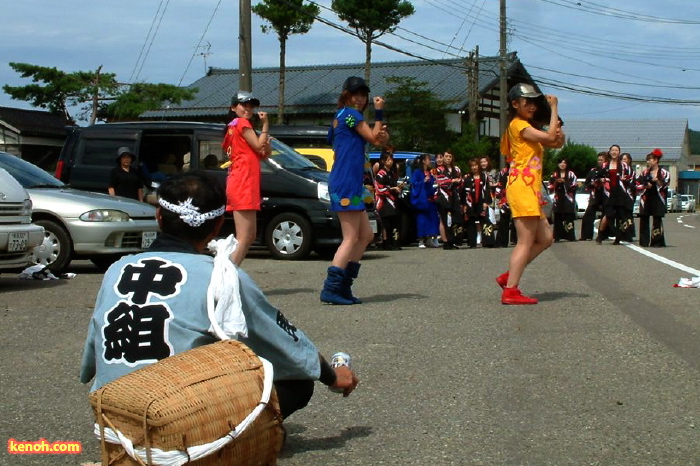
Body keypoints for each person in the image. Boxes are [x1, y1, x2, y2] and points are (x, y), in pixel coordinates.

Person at [80, 172, 359, 420]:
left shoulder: (118, 269)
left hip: (111, 413)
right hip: (177, 420)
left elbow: (96, 344)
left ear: (159, 217)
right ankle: (223, 442)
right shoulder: (220, 275)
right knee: (297, 380)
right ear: (217, 227)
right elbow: (279, 339)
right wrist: (332, 376)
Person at [321, 76, 387, 305]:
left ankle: (344, 287)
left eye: (363, 95)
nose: (360, 99)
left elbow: (374, 139)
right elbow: (374, 138)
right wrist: (379, 112)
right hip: (347, 182)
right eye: (355, 94)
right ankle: (331, 289)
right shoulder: (350, 114)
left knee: (366, 235)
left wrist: (380, 135)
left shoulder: (339, 118)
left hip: (348, 180)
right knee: (350, 237)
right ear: (346, 95)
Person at [497, 83, 563, 305]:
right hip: (522, 187)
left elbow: (555, 141)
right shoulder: (518, 125)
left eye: (535, 102)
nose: (533, 106)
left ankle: (510, 276)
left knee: (545, 238)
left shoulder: (527, 126)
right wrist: (553, 108)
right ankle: (510, 291)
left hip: (532, 189)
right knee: (525, 241)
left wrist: (557, 132)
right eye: (527, 102)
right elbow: (549, 136)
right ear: (515, 104)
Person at [222, 91, 271, 266]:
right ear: (234, 107)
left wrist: (265, 142)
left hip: (244, 181)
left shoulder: (232, 126)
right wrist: (265, 125)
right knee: (244, 237)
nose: (248, 109)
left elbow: (263, 153)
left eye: (251, 106)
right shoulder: (242, 123)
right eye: (244, 105)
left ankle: (230, 271)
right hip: (243, 181)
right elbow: (259, 146)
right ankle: (227, 273)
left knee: (249, 236)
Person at [596, 144, 634, 245]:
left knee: (620, 216)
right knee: (608, 215)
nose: (614, 152)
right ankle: (600, 235)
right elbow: (598, 177)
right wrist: (602, 179)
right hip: (608, 192)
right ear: (609, 152)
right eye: (612, 150)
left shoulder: (624, 165)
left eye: (616, 150)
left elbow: (631, 177)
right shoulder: (605, 165)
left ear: (619, 153)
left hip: (620, 192)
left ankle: (618, 238)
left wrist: (625, 179)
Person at [637, 149, 669, 247]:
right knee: (644, 219)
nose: (648, 162)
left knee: (657, 220)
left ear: (656, 160)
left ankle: (657, 241)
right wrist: (645, 186)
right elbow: (637, 184)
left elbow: (665, 184)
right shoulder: (644, 172)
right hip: (646, 198)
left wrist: (657, 181)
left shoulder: (664, 172)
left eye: (650, 159)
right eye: (647, 160)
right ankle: (644, 242)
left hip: (658, 198)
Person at [374, 150, 403, 250]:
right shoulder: (381, 174)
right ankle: (386, 243)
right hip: (384, 201)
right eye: (388, 160)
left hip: (393, 201)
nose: (390, 162)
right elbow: (380, 189)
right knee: (386, 223)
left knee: (393, 222)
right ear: (383, 161)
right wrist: (392, 189)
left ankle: (394, 242)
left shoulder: (391, 173)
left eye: (391, 160)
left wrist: (398, 187)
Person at [410, 153, 440, 248]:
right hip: (422, 200)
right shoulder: (417, 172)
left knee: (433, 219)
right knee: (422, 220)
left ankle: (432, 238)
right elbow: (414, 184)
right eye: (428, 159)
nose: (429, 161)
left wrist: (434, 181)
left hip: (431, 200)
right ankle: (421, 240)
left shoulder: (431, 172)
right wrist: (422, 182)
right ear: (423, 161)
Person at [462, 158, 493, 248]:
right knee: (471, 222)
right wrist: (464, 204)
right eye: (472, 166)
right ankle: (472, 242)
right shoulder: (467, 178)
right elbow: (464, 192)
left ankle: (488, 241)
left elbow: (487, 190)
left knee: (486, 221)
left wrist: (486, 202)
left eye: (475, 165)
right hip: (471, 203)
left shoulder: (484, 176)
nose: (474, 167)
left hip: (481, 202)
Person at [435, 150, 462, 249]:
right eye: (446, 156)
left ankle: (453, 239)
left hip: (454, 195)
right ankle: (445, 241)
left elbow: (460, 180)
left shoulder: (456, 169)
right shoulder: (439, 169)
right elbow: (440, 181)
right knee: (443, 219)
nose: (448, 158)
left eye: (450, 156)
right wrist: (452, 181)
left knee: (456, 217)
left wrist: (457, 182)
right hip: (442, 196)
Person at [579, 152, 608, 241]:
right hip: (595, 195)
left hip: (606, 195)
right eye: (598, 160)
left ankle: (603, 235)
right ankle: (586, 235)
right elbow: (586, 183)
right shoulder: (593, 171)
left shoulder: (608, 170)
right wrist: (592, 184)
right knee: (588, 215)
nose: (600, 162)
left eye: (602, 160)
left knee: (606, 215)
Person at [548, 157, 577, 242]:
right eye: (561, 163)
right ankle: (557, 236)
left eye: (564, 163)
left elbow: (574, 185)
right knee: (557, 218)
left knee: (569, 217)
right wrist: (556, 182)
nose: (562, 164)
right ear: (558, 164)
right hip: (558, 198)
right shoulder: (554, 174)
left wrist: (564, 183)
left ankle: (570, 236)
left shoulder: (571, 174)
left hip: (568, 198)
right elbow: (550, 186)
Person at [621, 152, 637, 239]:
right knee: (621, 215)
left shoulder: (632, 172)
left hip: (629, 196)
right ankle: (622, 233)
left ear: (629, 160)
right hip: (620, 196)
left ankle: (629, 234)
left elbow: (633, 184)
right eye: (622, 159)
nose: (623, 161)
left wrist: (625, 181)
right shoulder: (619, 170)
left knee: (628, 215)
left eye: (625, 159)